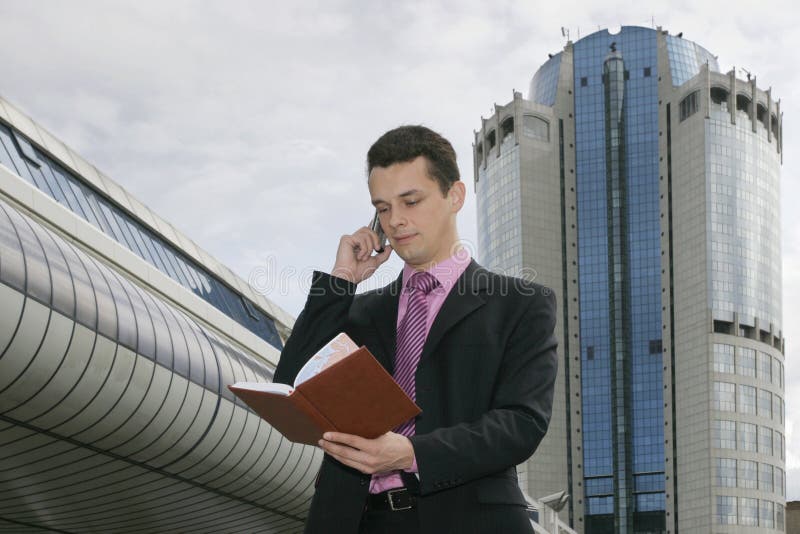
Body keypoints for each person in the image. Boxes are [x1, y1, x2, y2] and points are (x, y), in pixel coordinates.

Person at [274, 125, 558, 534]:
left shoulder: (520, 304)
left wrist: (410, 454)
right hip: (351, 522)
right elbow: (291, 388)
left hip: (470, 520)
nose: (396, 221)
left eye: (411, 201)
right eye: (383, 208)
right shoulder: (358, 312)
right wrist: (341, 281)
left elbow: (521, 424)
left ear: (454, 196)